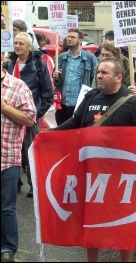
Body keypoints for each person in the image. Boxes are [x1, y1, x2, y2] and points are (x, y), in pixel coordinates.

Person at [50, 57, 136, 262]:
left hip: (121, 174)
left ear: (119, 77)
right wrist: (50, 135)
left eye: (104, 72)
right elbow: (75, 122)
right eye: (98, 72)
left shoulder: (133, 103)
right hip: (92, 171)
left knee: (122, 222)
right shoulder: (91, 96)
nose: (99, 76)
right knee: (92, 218)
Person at [3, 32, 54, 197]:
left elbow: (48, 94)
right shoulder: (9, 63)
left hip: (29, 117)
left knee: (30, 152)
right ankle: (14, 183)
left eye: (21, 44)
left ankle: (34, 186)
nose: (17, 46)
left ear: (29, 46)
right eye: (15, 43)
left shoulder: (39, 64)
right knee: (12, 152)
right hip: (10, 117)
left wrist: (36, 114)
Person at [1, 65, 37, 263]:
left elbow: (30, 120)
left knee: (6, 207)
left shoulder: (18, 86)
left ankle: (7, 248)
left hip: (6, 157)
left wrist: (4, 107)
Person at [52, 28, 98, 126]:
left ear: (80, 40)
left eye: (73, 37)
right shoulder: (60, 58)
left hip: (81, 106)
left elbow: (95, 81)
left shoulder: (89, 58)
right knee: (63, 137)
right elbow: (56, 83)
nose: (69, 39)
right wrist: (56, 78)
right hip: (63, 107)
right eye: (68, 37)